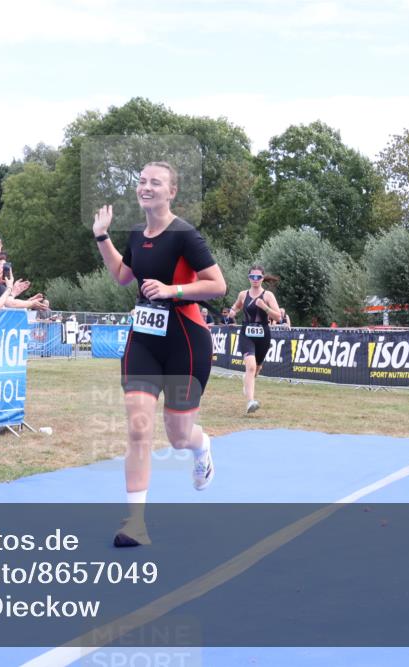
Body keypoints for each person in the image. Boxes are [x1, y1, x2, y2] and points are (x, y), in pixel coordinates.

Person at [92, 161, 227, 547]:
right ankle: (135, 523)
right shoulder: (137, 234)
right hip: (144, 341)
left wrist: (172, 290)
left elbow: (217, 285)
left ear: (172, 192)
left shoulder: (185, 234)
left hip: (186, 342)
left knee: (179, 436)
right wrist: (102, 237)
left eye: (156, 182)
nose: (146, 187)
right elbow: (123, 276)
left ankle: (201, 445)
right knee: (138, 428)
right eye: (142, 181)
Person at [228, 265, 281, 414]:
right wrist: (232, 312)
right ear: (249, 278)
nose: (255, 279)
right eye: (252, 277)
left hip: (263, 335)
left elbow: (278, 317)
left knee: (256, 370)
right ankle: (250, 402)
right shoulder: (243, 294)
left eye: (258, 277)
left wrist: (265, 307)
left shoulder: (268, 295)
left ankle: (247, 380)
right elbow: (236, 307)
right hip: (246, 333)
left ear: (262, 278)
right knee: (250, 367)